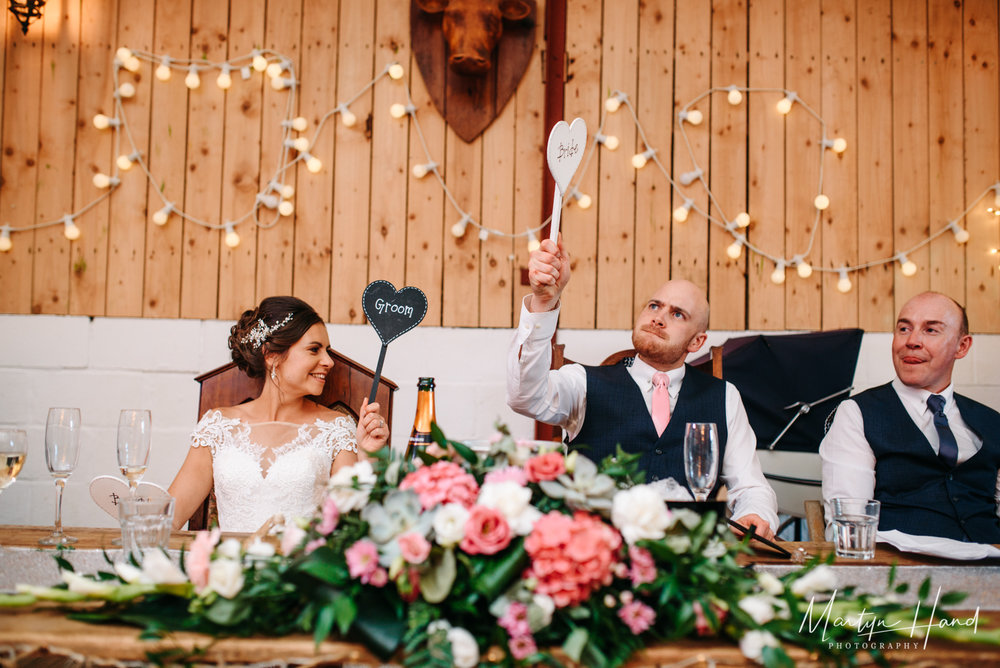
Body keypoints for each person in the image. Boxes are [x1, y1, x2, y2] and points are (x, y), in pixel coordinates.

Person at [507, 237, 778, 539]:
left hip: (687, 564)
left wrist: (754, 515)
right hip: (601, 556)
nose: (658, 318)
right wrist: (543, 303)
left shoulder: (724, 397)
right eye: (654, 305)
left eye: (677, 314)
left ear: (697, 342)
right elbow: (524, 396)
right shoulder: (582, 383)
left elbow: (752, 487)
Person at [169, 296, 389, 532]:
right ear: (271, 355)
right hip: (229, 566)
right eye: (314, 350)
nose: (328, 361)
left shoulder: (337, 428)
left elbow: (354, 528)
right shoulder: (217, 426)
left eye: (327, 351)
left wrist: (369, 457)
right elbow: (167, 520)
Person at [820, 291, 1000, 543]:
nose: (912, 341)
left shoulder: (992, 422)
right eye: (904, 328)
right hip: (902, 571)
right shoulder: (857, 413)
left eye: (931, 330)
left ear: (962, 346)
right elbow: (849, 529)